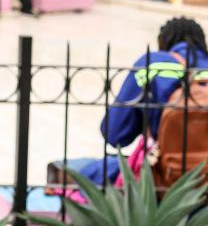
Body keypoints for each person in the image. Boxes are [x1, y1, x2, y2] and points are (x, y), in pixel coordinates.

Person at [80, 17, 208, 186]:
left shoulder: (154, 64)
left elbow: (114, 134)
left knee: (88, 173)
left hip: (165, 179)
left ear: (163, 44)